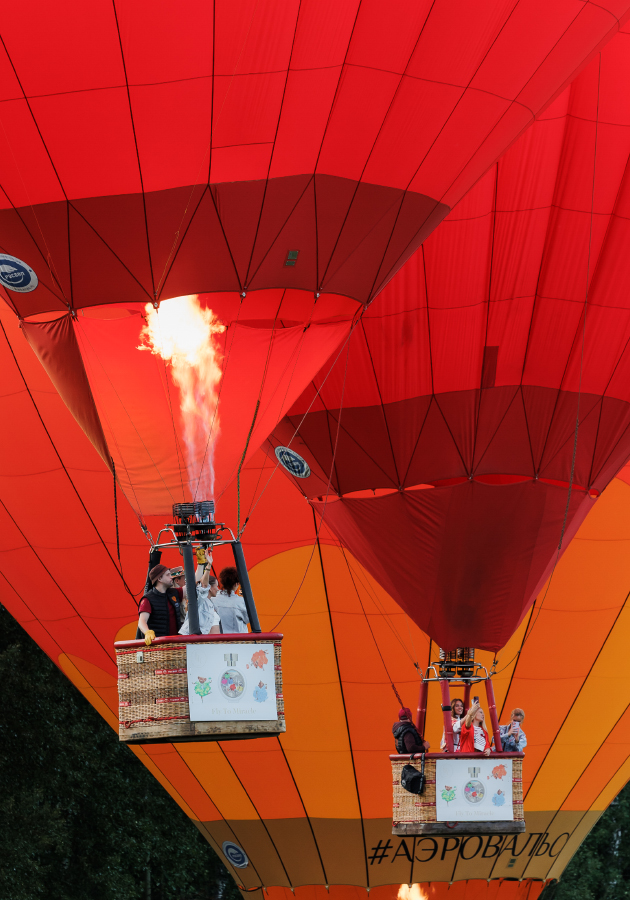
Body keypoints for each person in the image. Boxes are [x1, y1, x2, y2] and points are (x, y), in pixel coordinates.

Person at [137, 565, 181, 645]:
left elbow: (191, 587)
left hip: (175, 645)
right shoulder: (148, 599)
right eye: (168, 575)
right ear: (159, 579)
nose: (171, 577)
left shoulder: (173, 593)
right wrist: (147, 632)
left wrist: (201, 565)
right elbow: (142, 621)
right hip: (159, 647)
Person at [179, 569, 221, 635]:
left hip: (203, 641)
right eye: (217, 586)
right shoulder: (200, 601)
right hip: (191, 640)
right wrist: (208, 568)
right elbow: (203, 587)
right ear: (210, 587)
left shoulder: (211, 603)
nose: (218, 589)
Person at [213, 567, 249, 633]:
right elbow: (248, 619)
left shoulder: (213, 599)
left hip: (218, 640)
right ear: (236, 584)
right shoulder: (241, 601)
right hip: (238, 640)